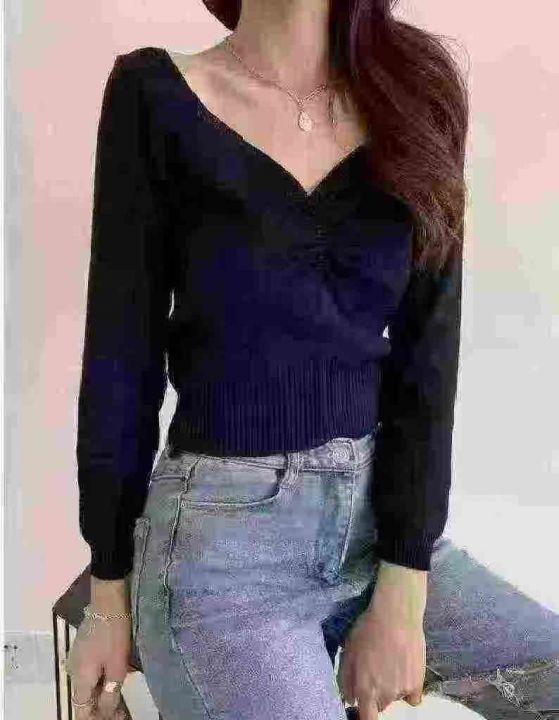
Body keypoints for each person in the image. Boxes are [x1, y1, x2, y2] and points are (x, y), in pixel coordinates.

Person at [66, 1, 502, 718]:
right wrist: (108, 598)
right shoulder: (153, 95)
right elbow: (120, 359)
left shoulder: (417, 90)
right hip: (220, 553)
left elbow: (429, 355)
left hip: (377, 523)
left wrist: (402, 588)